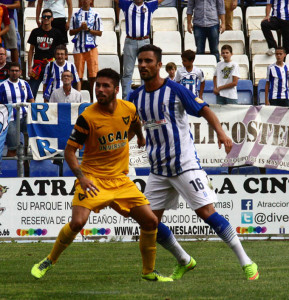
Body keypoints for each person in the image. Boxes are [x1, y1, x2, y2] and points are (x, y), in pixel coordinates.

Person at [129, 44, 259, 281]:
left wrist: (221, 132)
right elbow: (131, 122)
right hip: (158, 170)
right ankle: (184, 260)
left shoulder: (176, 90)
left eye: (148, 61)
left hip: (185, 164)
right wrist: (135, 136)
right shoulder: (135, 96)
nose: (143, 65)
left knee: (207, 213)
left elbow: (205, 109)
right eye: (140, 61)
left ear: (159, 65)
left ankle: (247, 262)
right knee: (149, 222)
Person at [30, 68, 173, 282]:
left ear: (116, 89)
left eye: (106, 86)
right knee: (78, 223)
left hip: (120, 180)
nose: (100, 90)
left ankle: (148, 271)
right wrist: (82, 178)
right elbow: (69, 151)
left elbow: (134, 122)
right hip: (93, 179)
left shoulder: (128, 108)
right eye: (98, 85)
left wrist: (140, 138)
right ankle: (49, 260)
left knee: (151, 221)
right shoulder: (87, 117)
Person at [114, 0, 164, 100]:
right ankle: (126, 99)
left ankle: (145, 97)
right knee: (128, 72)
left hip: (144, 41)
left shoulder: (149, 5)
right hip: (130, 41)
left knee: (145, 70)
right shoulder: (127, 4)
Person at [69, 0, 103, 102]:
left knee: (93, 75)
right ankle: (77, 99)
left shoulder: (96, 15)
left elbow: (100, 32)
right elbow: (71, 32)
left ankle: (94, 99)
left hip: (91, 47)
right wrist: (80, 28)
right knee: (78, 76)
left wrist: (88, 30)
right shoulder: (75, 15)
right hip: (78, 48)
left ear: (91, 1)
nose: (84, 1)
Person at [0, 62, 34, 157]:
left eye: (16, 71)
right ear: (8, 72)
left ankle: (27, 169)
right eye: (12, 71)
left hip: (25, 117)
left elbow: (31, 100)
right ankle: (8, 170)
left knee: (31, 146)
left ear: (20, 72)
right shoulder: (2, 86)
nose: (14, 73)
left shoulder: (25, 84)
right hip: (10, 119)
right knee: (13, 148)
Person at [28, 9, 63, 99]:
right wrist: (29, 67)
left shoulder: (57, 33)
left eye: (48, 16)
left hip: (51, 65)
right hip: (37, 66)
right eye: (44, 16)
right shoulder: (35, 32)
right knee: (31, 93)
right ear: (41, 18)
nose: (46, 18)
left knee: (49, 94)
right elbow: (31, 50)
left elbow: (60, 51)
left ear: (52, 19)